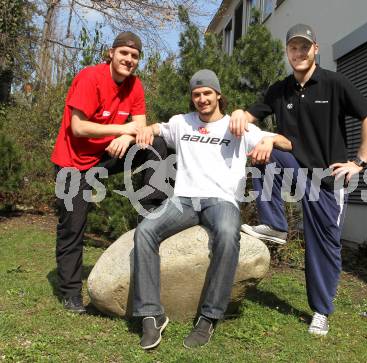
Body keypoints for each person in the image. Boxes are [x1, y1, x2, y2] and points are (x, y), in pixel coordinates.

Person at [229, 24, 367, 336]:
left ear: (316, 50)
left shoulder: (334, 84)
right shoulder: (280, 89)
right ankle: (275, 225)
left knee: (322, 245)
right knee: (262, 151)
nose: (298, 53)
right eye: (293, 48)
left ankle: (321, 311)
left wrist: (359, 163)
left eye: (304, 47)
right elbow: (250, 117)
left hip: (328, 182)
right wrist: (239, 114)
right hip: (296, 170)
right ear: (288, 52)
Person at [132, 69, 292, 349]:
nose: (202, 99)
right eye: (196, 94)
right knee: (145, 231)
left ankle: (208, 317)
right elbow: (158, 129)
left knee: (229, 236)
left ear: (218, 95)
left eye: (207, 93)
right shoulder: (182, 123)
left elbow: (286, 142)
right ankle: (150, 315)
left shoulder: (237, 125)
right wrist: (147, 128)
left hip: (221, 200)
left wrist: (267, 140)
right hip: (183, 200)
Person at [51, 31, 168, 314]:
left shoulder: (134, 85)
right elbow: (78, 127)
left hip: (104, 158)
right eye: (124, 53)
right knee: (73, 224)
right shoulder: (91, 77)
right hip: (72, 163)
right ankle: (70, 292)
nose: (129, 60)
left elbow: (140, 128)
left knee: (159, 141)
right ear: (111, 53)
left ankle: (151, 205)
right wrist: (122, 129)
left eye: (135, 56)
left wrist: (129, 137)